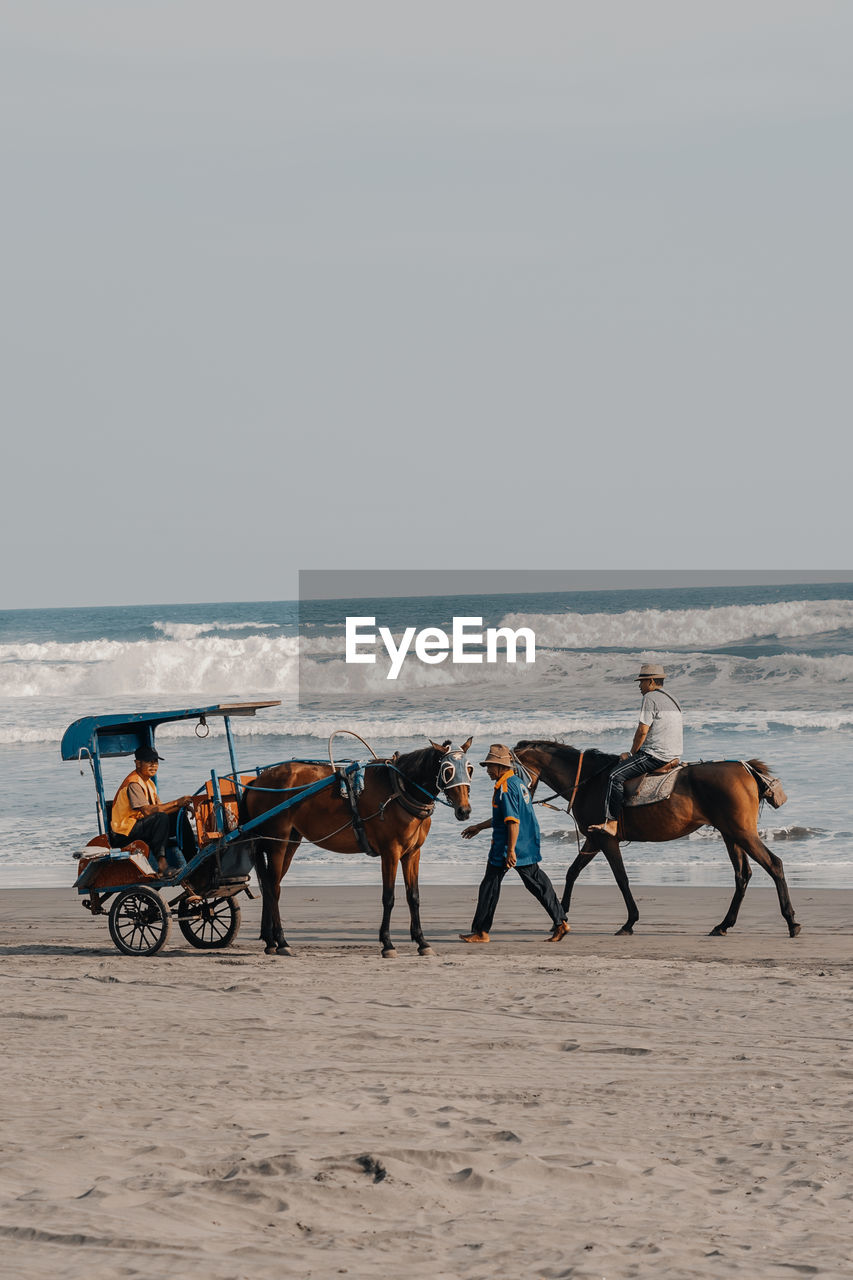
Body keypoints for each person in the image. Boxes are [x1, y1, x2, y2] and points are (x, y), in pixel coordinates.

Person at [459, 744, 570, 944]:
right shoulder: (518, 782)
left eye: (490, 766)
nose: (487, 770)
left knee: (489, 887)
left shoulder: (505, 787)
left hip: (508, 846)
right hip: (526, 842)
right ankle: (561, 922)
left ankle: (481, 932)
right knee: (537, 884)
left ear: (501, 766)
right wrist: (479, 827)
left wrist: (510, 851)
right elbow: (504, 816)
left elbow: (512, 821)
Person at [589, 662, 683, 838]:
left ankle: (612, 823)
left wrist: (631, 754)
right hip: (674, 753)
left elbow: (642, 731)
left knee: (614, 775)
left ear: (652, 681)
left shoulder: (650, 698)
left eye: (642, 682)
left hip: (656, 754)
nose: (639, 686)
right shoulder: (672, 698)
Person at [111, 746, 197, 890]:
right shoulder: (134, 783)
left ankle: (193, 861)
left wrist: (180, 808)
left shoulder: (149, 784)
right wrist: (176, 802)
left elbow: (161, 807)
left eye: (156, 761)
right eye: (148, 761)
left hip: (140, 826)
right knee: (161, 818)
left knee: (177, 817)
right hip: (124, 831)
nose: (153, 765)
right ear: (138, 763)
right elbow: (147, 811)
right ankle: (162, 866)